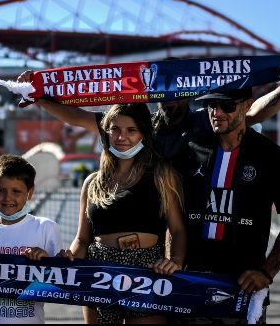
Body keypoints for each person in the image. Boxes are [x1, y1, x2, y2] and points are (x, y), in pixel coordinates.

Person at [17, 56, 280, 167]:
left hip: (194, 224)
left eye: (175, 95)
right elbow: (81, 119)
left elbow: (253, 113)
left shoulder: (204, 120)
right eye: (163, 96)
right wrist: (39, 97)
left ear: (188, 95)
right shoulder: (143, 125)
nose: (169, 102)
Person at [179, 86, 280, 324]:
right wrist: (173, 263)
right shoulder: (190, 149)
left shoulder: (270, 155)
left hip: (243, 292)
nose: (217, 112)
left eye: (227, 105)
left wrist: (267, 273)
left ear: (248, 105)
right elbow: (174, 218)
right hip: (190, 286)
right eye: (211, 105)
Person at [59, 103, 186, 324]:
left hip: (147, 270)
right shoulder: (92, 183)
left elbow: (178, 230)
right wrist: (68, 259)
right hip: (99, 271)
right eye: (115, 129)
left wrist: (174, 260)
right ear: (106, 132)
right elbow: (82, 239)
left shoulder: (162, 175)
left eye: (131, 130)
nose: (121, 137)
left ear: (143, 134)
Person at [0, 154, 62, 324]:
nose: (7, 197)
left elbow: (59, 285)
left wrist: (46, 262)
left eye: (16, 191)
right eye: (0, 190)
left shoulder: (46, 228)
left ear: (30, 192)